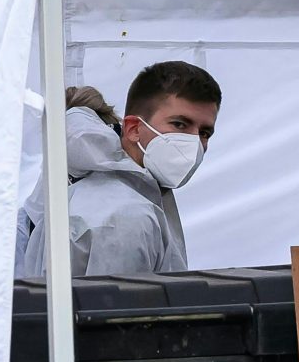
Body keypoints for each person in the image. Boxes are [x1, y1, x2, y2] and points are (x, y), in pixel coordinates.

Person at [13, 61, 221, 278]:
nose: (194, 142)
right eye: (179, 124)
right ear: (133, 129)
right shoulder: (126, 215)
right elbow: (117, 299)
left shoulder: (127, 187)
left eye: (205, 133)